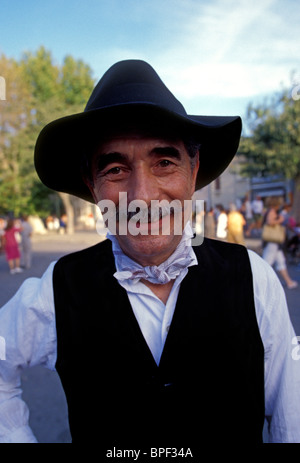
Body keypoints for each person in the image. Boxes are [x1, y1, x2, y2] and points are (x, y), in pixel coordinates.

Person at [0, 60, 300, 448]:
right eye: (114, 169)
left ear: (193, 174)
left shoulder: (254, 278)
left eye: (164, 163)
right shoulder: (54, 291)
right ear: (93, 187)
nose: (141, 195)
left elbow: (291, 421)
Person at [262, 197, 298, 289]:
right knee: (266, 262)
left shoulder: (271, 211)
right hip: (272, 241)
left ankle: (288, 282)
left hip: (275, 242)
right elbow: (270, 222)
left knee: (280, 261)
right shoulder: (272, 211)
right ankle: (259, 282)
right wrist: (280, 220)